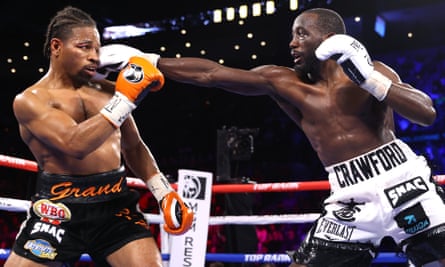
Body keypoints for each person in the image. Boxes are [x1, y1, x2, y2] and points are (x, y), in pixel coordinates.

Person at [101, 7, 445, 267]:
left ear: (325, 39)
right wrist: (148, 59)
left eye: (301, 35)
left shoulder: (375, 71)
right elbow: (212, 73)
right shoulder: (284, 82)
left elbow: (426, 113)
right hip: (350, 199)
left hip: (406, 185)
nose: (292, 43)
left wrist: (368, 78)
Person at [5, 6, 193, 267]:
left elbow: (134, 147)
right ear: (57, 47)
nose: (95, 56)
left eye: (97, 48)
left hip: (115, 205)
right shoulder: (30, 100)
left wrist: (163, 192)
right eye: (84, 47)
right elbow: (75, 144)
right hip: (58, 210)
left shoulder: (108, 90)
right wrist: (126, 99)